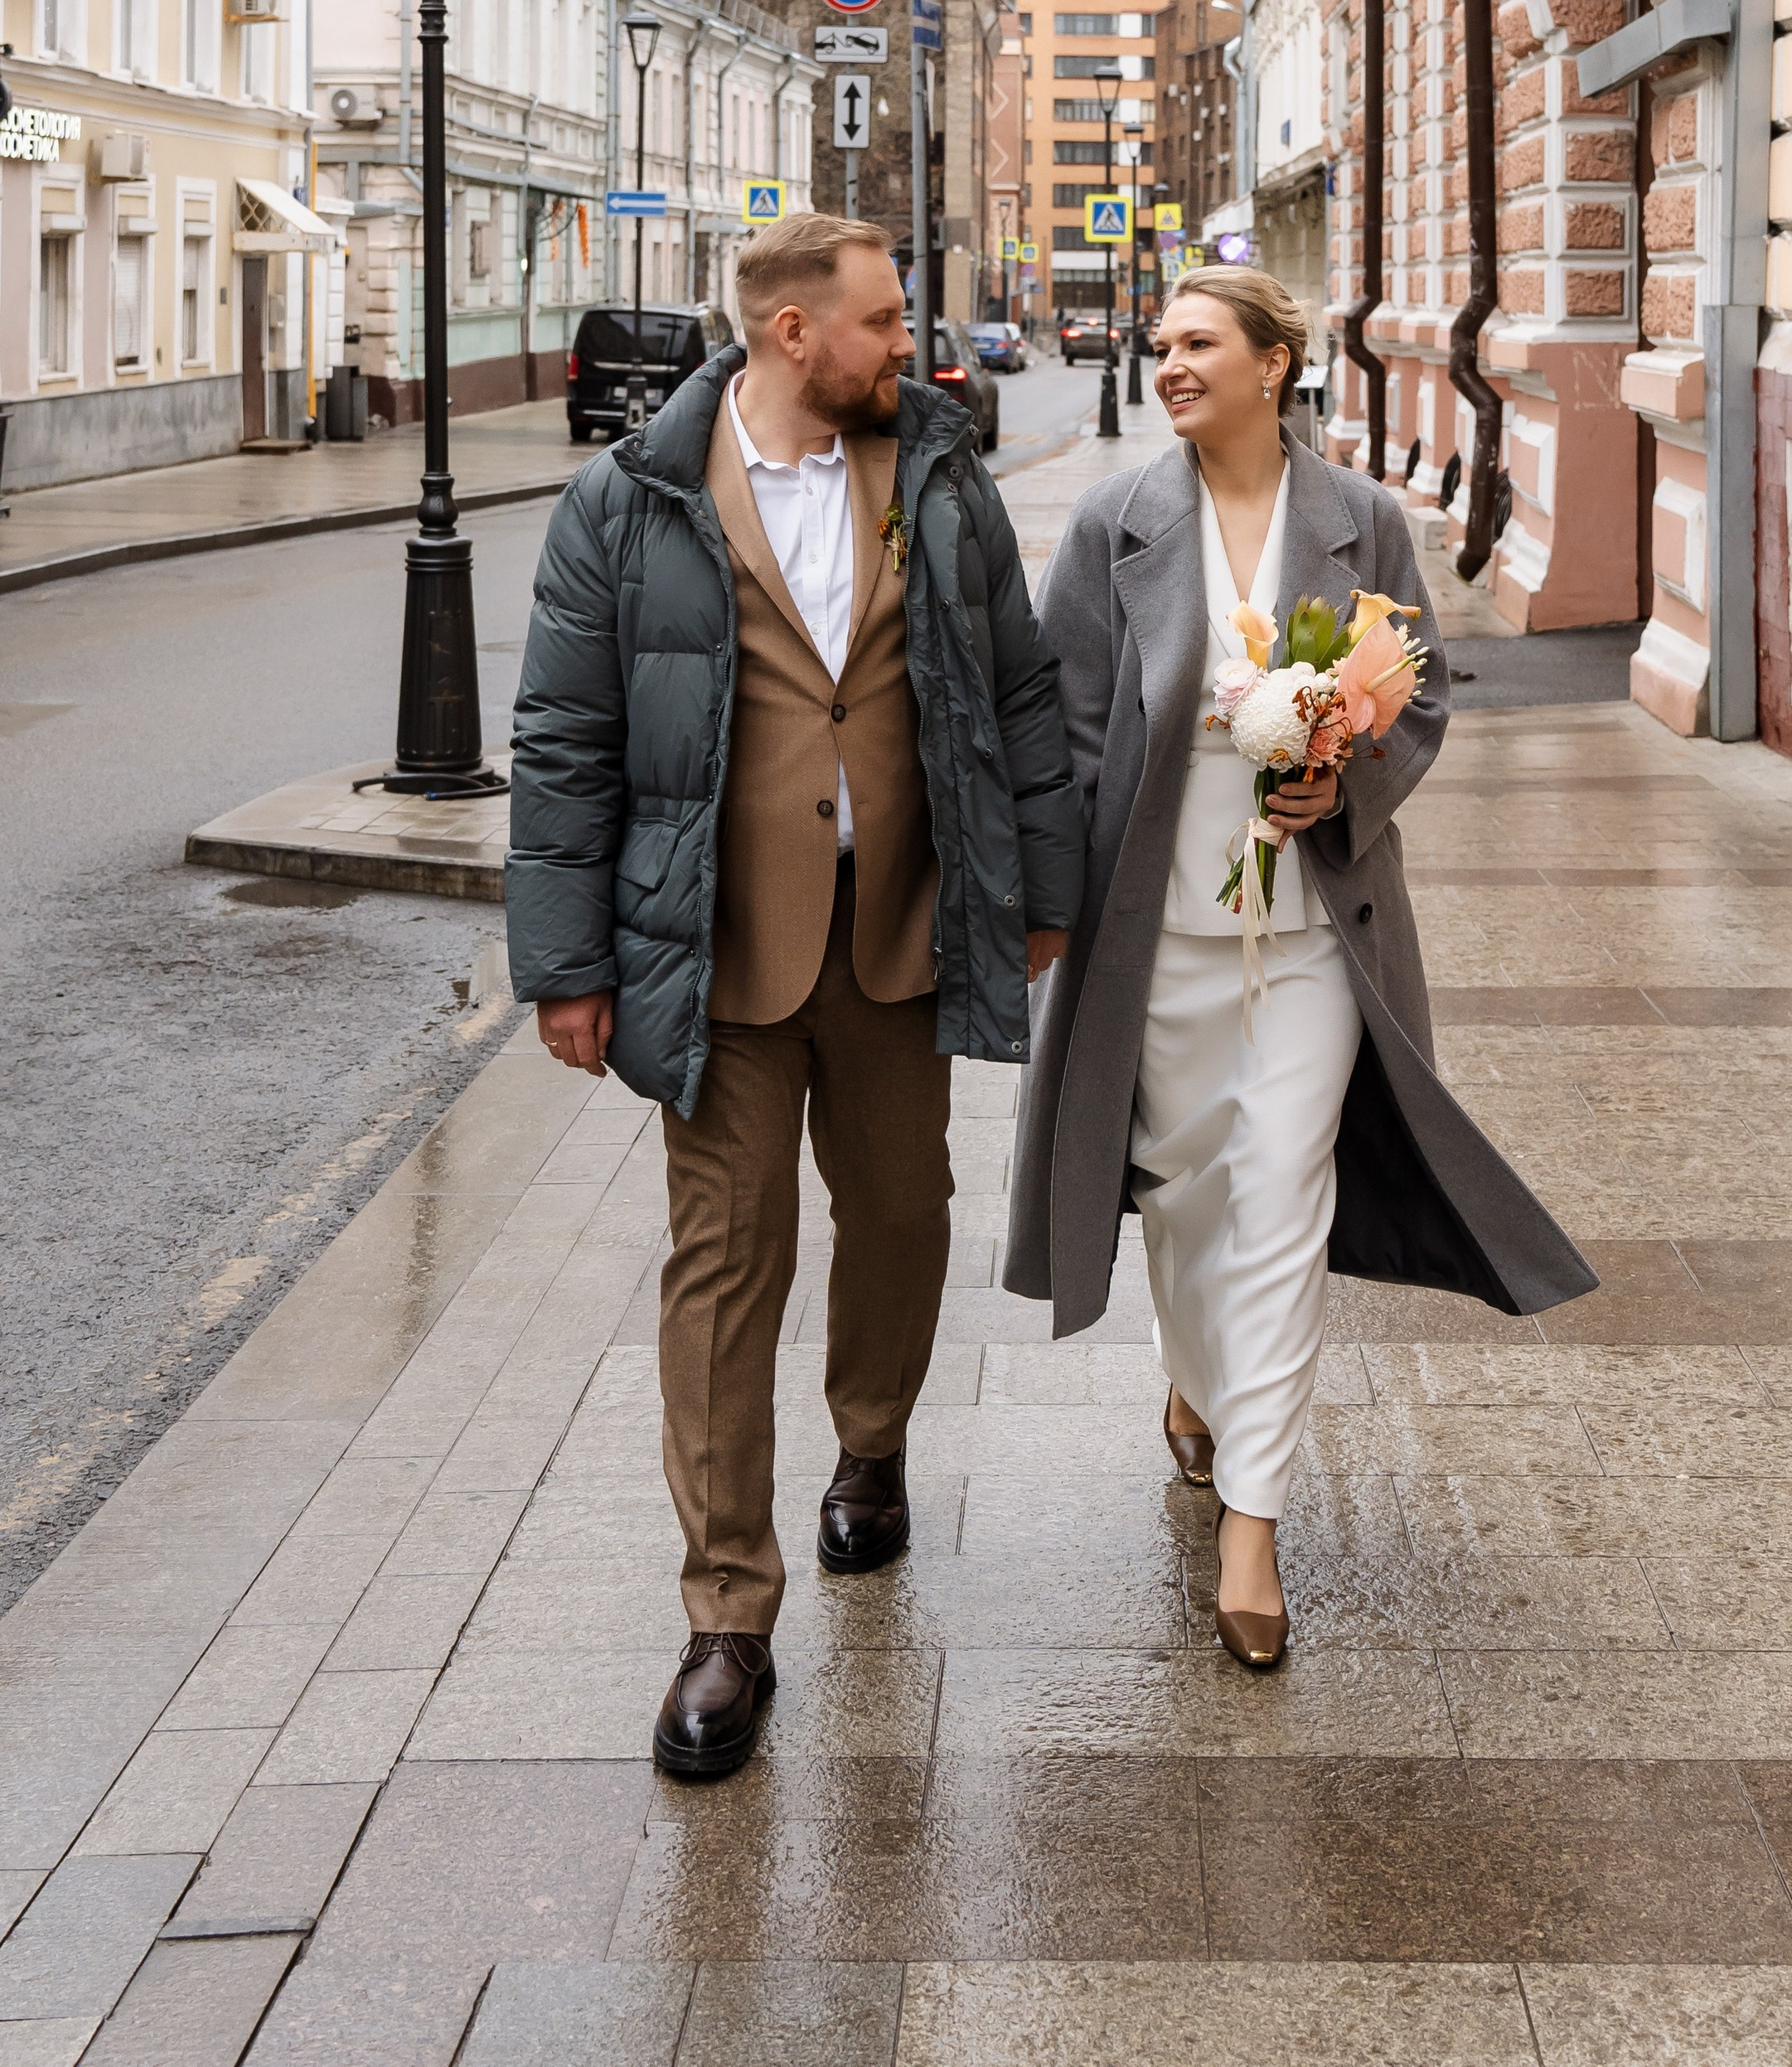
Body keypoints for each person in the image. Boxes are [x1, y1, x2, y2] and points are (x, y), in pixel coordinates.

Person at [507, 212, 1082, 1779]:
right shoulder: (626, 507)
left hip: (901, 926)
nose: (908, 341)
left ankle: (873, 1444)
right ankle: (727, 1618)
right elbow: (564, 738)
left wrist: (1037, 888)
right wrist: (565, 964)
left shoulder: (944, 481)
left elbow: (1018, 689)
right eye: (884, 320)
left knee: (904, 1214)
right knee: (725, 1262)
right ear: (787, 335)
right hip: (717, 950)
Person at [1004, 264, 1593, 1668]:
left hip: (1319, 930)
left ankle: (1254, 1525)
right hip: (1160, 935)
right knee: (1185, 1192)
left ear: (1276, 364)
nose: (1171, 366)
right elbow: (1067, 726)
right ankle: (1194, 1384)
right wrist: (1061, 900)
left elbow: (1421, 690)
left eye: (1199, 344)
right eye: (1162, 347)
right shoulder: (1116, 522)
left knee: (1279, 1190)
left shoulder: (1362, 520)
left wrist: (1345, 779)